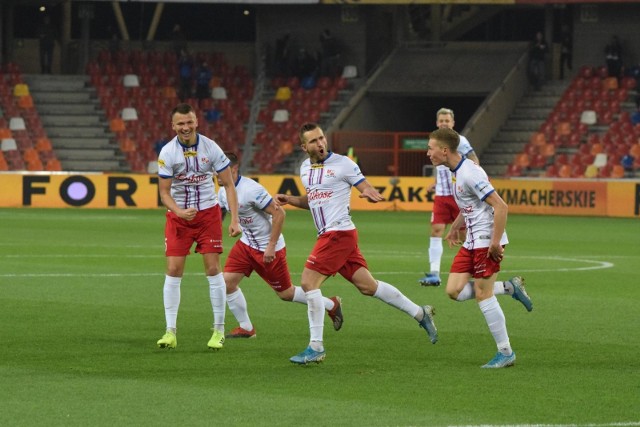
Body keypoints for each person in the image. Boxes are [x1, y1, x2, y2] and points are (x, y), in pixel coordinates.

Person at [275, 122, 438, 365]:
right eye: (313, 141)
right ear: (303, 147)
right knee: (368, 286)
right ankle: (419, 312)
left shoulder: (343, 164)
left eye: (321, 138)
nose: (320, 143)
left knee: (309, 282)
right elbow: (313, 200)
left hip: (338, 233)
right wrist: (290, 199)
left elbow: (364, 184)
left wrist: (369, 192)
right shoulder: (305, 169)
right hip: (332, 236)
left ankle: (316, 346)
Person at [427, 127, 533, 368]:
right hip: (471, 240)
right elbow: (471, 206)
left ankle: (506, 352)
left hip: (486, 239)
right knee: (453, 291)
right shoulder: (456, 171)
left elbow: (501, 206)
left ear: (444, 150)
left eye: (431, 148)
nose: (428, 153)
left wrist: (495, 243)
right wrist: (455, 226)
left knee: (483, 295)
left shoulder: (469, 173)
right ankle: (508, 287)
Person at [217, 152, 344, 339]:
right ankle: (246, 327)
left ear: (233, 169)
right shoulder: (222, 192)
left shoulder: (251, 190)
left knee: (286, 293)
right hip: (245, 245)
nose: (216, 174)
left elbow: (280, 214)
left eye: (219, 171)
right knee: (226, 283)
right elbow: (219, 213)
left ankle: (331, 305)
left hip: (269, 248)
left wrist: (270, 245)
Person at [155, 103, 241, 351]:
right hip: (179, 216)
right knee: (173, 269)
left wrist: (234, 219)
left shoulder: (210, 147)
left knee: (213, 268)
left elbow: (228, 185)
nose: (185, 127)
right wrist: (179, 211)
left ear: (196, 122)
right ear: (173, 126)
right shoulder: (167, 152)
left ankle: (219, 331)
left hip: (208, 215)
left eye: (189, 122)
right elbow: (164, 193)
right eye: (180, 123)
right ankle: (170, 332)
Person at [419, 108, 479, 287]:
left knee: (463, 235)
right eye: (441, 120)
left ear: (453, 123)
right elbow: (439, 165)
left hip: (458, 195)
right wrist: (435, 182)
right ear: (437, 123)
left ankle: (474, 269)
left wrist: (467, 178)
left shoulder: (460, 141)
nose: (444, 123)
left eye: (447, 120)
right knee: (436, 230)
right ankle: (435, 274)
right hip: (441, 196)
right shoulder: (435, 141)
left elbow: (475, 160)